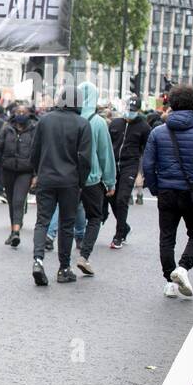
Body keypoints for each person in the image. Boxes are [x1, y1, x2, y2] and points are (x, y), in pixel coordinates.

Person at [142, 85, 193, 298]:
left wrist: (156, 188)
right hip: (192, 191)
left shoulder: (157, 132)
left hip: (166, 190)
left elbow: (148, 165)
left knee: (167, 237)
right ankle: (183, 268)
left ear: (170, 104)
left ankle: (170, 281)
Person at [29, 91, 91, 286]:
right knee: (67, 224)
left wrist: (38, 172)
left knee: (42, 221)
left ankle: (38, 260)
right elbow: (85, 159)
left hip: (46, 178)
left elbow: (34, 151)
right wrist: (81, 182)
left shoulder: (45, 121)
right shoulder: (82, 124)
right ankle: (64, 268)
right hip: (70, 181)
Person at [73, 82, 116, 276]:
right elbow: (105, 154)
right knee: (94, 217)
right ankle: (84, 255)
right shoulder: (97, 122)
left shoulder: (70, 118)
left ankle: (63, 262)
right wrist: (110, 181)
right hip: (92, 179)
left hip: (70, 177)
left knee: (68, 217)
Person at [0, 102, 36, 247]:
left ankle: (15, 232)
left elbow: (38, 152)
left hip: (25, 171)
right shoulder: (7, 128)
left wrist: (36, 174)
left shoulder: (34, 129)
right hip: (7, 170)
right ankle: (14, 227)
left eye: (24, 112)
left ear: (29, 114)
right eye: (18, 112)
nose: (21, 114)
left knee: (18, 200)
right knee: (11, 200)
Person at [107, 97, 151, 248]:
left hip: (130, 165)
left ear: (138, 111)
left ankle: (119, 235)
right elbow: (107, 145)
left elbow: (147, 150)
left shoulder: (144, 128)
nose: (129, 113)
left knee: (122, 199)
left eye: (133, 110)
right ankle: (124, 226)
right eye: (128, 109)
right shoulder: (115, 123)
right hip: (113, 165)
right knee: (112, 199)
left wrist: (143, 171)